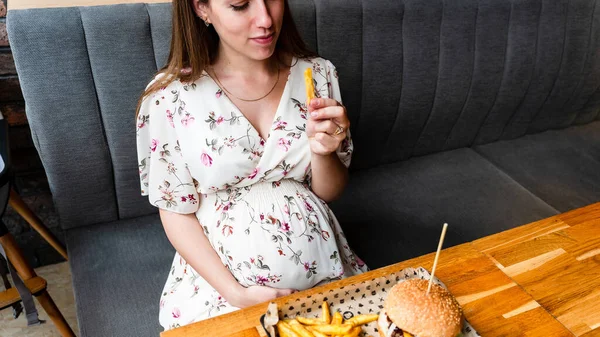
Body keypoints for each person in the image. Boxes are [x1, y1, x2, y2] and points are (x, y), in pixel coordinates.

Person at [135, 0, 368, 330]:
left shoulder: (316, 74)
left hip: (326, 272)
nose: (266, 19)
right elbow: (175, 209)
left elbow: (328, 192)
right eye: (240, 5)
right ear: (202, 9)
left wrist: (323, 151)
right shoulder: (168, 97)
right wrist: (236, 293)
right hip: (224, 292)